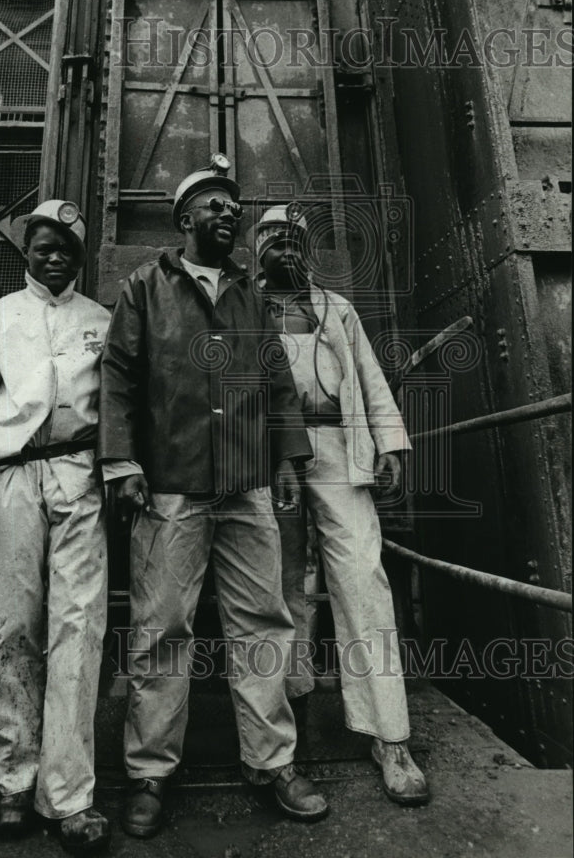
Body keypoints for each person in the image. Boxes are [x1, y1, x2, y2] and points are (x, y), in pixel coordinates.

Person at [98, 155, 329, 838]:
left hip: (246, 484)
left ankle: (272, 763)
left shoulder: (250, 296)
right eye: (213, 206)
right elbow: (117, 377)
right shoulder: (145, 286)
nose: (228, 215)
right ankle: (149, 773)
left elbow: (276, 379)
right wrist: (119, 459)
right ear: (183, 219)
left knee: (262, 622)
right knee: (162, 628)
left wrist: (288, 458)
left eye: (233, 208)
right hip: (170, 485)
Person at [0, 200, 126, 855]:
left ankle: (70, 796)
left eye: (65, 247)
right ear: (27, 249)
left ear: (80, 255)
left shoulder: (100, 322)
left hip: (79, 477)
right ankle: (14, 783)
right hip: (13, 481)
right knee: (12, 627)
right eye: (43, 245)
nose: (54, 256)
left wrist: (116, 474)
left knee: (80, 629)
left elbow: (116, 408)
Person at [251, 203, 429, 806]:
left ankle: (391, 737)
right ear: (257, 251)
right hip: (274, 458)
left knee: (363, 580)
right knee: (278, 591)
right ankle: (283, 727)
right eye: (276, 241)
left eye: (296, 242)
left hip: (340, 452)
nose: (288, 250)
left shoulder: (338, 309)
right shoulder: (243, 310)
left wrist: (390, 445)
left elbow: (372, 380)